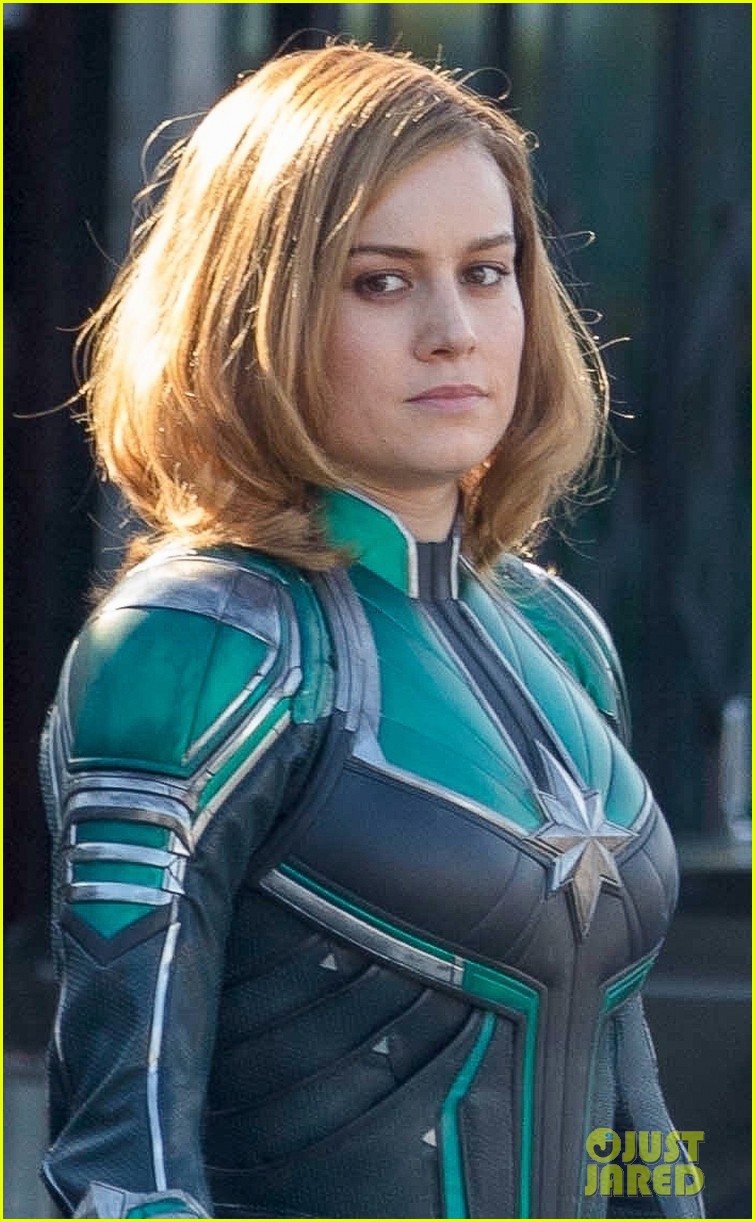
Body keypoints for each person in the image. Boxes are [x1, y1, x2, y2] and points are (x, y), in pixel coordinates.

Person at [40, 42, 704, 1220]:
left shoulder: (557, 634)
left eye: (486, 272)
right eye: (380, 282)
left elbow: (626, 1102)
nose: (453, 330)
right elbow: (118, 1165)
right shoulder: (199, 646)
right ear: (255, 311)